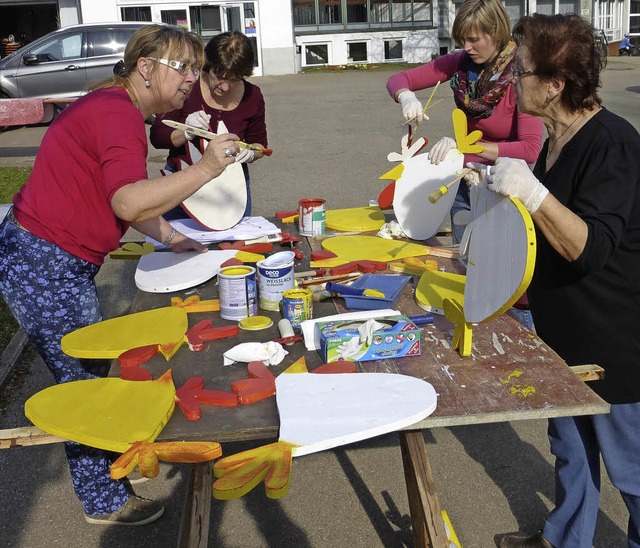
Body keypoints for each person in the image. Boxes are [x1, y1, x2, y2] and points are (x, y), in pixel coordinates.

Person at [0, 24, 240, 526]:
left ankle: (114, 467)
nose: (191, 80)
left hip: (47, 257)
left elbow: (125, 202)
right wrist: (205, 170)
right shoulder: (116, 114)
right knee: (86, 386)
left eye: (196, 69)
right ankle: (104, 500)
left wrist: (174, 239)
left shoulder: (113, 106)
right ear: (145, 67)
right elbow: (128, 199)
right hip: (44, 262)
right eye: (184, 68)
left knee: (91, 375)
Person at [478, 14, 640, 548]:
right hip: (562, 332)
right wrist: (482, 186)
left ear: (554, 85)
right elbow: (539, 231)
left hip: (613, 341)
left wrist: (533, 194)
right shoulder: (555, 138)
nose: (509, 81)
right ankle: (565, 540)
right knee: (570, 451)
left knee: (632, 471)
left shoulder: (612, 143)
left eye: (520, 70)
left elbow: (587, 248)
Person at [386, 0, 542, 245]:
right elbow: (398, 79)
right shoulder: (462, 64)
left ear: (496, 33)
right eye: (462, 40)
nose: (466, 47)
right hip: (463, 181)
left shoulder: (522, 76)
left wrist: (464, 150)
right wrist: (406, 97)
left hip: (503, 188)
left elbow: (530, 150)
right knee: (464, 263)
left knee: (495, 268)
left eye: (473, 40)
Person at [150, 30, 267, 219]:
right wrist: (186, 131)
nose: (225, 87)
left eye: (235, 79)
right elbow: (158, 136)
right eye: (219, 76)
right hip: (181, 183)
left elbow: (260, 143)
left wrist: (252, 153)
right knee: (175, 243)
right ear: (208, 66)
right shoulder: (187, 85)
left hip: (231, 187)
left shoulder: (252, 96)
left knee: (231, 244)